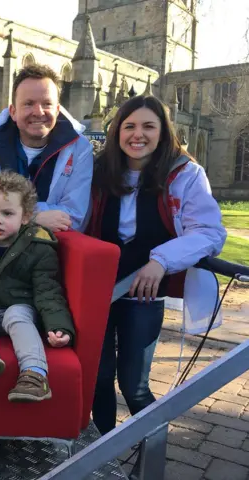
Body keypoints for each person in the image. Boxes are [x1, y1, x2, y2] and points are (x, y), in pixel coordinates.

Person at [87, 95, 226, 435]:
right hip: (97, 291)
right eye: (129, 126)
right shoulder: (98, 170)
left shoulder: (186, 173)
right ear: (117, 131)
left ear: (163, 132)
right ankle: (102, 456)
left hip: (144, 295)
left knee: (134, 387)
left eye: (149, 126)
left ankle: (149, 461)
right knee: (98, 379)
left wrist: (161, 261)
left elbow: (209, 231)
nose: (138, 134)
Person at [0, 171, 75, 402]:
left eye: (7, 213)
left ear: (26, 216)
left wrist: (59, 327)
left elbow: (48, 291)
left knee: (15, 314)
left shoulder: (39, 246)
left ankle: (34, 374)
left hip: (21, 310)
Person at [0, 64, 94, 232]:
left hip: (56, 249)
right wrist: (33, 217)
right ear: (13, 111)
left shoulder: (80, 148)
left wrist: (10, 213)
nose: (38, 112)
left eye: (47, 103)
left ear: (57, 110)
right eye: (28, 103)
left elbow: (74, 217)